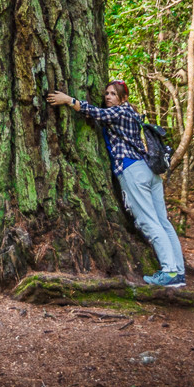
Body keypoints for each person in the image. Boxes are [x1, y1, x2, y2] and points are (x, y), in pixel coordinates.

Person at [46, 80, 185, 288]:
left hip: (134, 170)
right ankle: (178, 272)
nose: (108, 97)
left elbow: (97, 113)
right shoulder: (131, 113)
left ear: (124, 98)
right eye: (107, 93)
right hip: (149, 171)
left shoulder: (120, 111)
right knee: (163, 222)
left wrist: (68, 100)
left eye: (113, 93)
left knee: (149, 222)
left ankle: (169, 271)